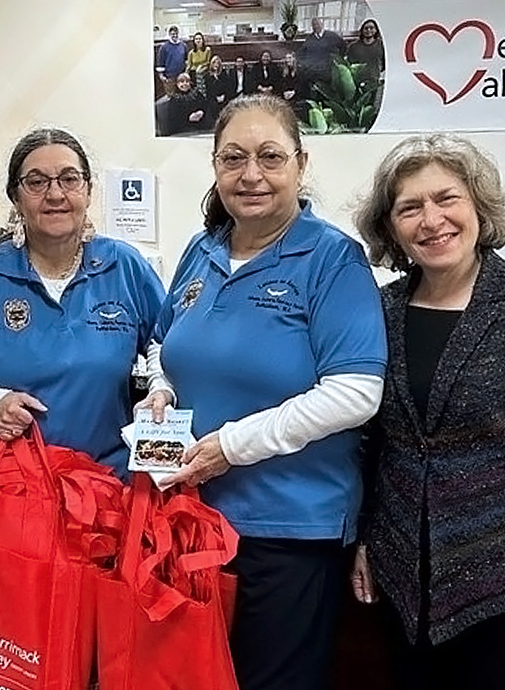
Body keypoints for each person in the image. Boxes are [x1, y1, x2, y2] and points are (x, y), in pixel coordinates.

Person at [137, 94, 388, 690]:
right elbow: (166, 346)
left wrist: (234, 444)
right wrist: (162, 389)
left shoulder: (333, 261)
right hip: (195, 521)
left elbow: (357, 390)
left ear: (300, 165)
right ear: (215, 167)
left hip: (289, 531)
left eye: (271, 157)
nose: (251, 174)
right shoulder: (202, 250)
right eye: (234, 158)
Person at [350, 133, 505, 690]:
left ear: (478, 208)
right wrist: (367, 536)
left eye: (447, 199)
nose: (431, 220)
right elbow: (373, 443)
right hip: (402, 586)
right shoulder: (381, 310)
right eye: (409, 207)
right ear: (390, 227)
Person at [0, 128, 164, 476]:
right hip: (2, 489)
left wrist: (158, 387)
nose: (55, 194)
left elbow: (164, 342)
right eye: (36, 182)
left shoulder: (124, 266)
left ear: (89, 190)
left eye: (69, 179)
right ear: (15, 197)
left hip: (102, 486)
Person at [298, 17, 345, 91]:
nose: (316, 26)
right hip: (314, 71)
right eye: (313, 25)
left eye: (317, 24)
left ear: (322, 24)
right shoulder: (309, 38)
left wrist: (338, 59)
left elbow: (343, 47)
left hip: (328, 70)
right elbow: (303, 52)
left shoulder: (332, 36)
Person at [165, 71, 209, 135]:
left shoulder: (196, 94)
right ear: (177, 84)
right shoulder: (175, 99)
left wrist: (202, 112)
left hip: (200, 126)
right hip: (183, 129)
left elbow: (205, 105)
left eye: (187, 81)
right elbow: (173, 120)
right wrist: (188, 118)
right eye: (182, 82)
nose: (185, 84)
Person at [346, 19, 385, 85]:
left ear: (376, 30)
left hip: (375, 82)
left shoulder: (382, 45)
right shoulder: (353, 46)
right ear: (362, 30)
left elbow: (385, 63)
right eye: (366, 28)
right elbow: (349, 64)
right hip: (357, 82)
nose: (368, 30)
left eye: (371, 28)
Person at [155, 25, 188, 94]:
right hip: (169, 77)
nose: (175, 35)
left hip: (181, 76)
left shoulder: (183, 46)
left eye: (176, 34)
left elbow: (186, 60)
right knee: (171, 96)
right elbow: (160, 61)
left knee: (182, 96)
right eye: (173, 34)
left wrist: (186, 72)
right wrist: (161, 75)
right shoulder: (164, 47)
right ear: (169, 34)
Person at [203, 55, 232, 127]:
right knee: (212, 105)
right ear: (211, 64)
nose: (216, 65)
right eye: (214, 63)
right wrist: (216, 97)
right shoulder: (207, 75)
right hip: (212, 97)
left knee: (225, 104)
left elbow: (227, 86)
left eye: (218, 63)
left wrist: (223, 96)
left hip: (223, 96)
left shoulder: (223, 74)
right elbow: (209, 89)